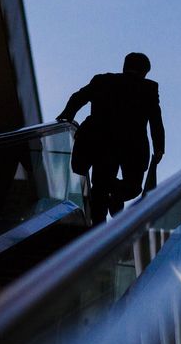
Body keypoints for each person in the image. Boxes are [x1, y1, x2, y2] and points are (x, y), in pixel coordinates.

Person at [57, 52, 165, 223]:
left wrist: (66, 116)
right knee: (134, 187)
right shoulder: (148, 89)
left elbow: (78, 98)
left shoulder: (103, 80)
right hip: (132, 146)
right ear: (145, 72)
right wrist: (159, 148)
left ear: (124, 66)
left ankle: (97, 227)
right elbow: (156, 121)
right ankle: (116, 194)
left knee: (99, 189)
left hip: (100, 142)